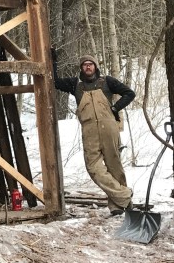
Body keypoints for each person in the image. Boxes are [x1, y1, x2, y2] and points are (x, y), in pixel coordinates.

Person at [54, 54, 135, 216]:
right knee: (93, 167)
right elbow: (55, 82)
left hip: (109, 127)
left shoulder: (107, 81)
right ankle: (124, 195)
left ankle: (117, 206)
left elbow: (129, 93)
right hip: (89, 130)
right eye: (85, 64)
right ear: (81, 68)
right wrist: (53, 61)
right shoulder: (75, 84)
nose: (88, 66)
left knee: (114, 165)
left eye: (91, 64)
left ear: (95, 66)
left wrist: (115, 108)